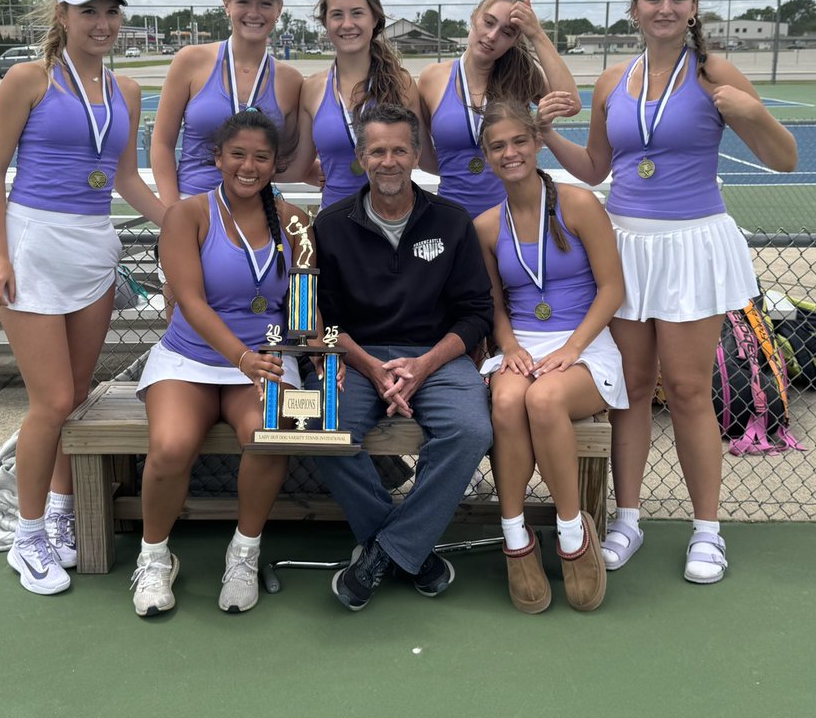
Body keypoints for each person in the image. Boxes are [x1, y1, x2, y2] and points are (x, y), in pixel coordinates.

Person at [551, 0, 798, 583]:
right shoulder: (612, 81)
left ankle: (707, 532)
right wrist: (545, 133)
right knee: (631, 392)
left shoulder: (715, 70)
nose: (665, 8)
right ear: (634, 7)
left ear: (693, 8)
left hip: (693, 246)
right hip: (627, 246)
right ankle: (627, 519)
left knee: (688, 391)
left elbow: (784, 158)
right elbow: (594, 170)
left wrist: (751, 114)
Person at [0, 0, 167, 595]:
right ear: (61, 15)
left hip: (93, 245)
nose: (103, 23)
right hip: (34, 243)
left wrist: (186, 226)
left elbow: (125, 179)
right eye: (88, 11)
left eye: (111, 11)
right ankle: (26, 535)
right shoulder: (27, 79)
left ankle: (60, 515)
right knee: (52, 401)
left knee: (79, 396)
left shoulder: (128, 91)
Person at [310, 103, 494, 610]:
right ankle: (408, 549)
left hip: (436, 358)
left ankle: (383, 552)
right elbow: (313, 322)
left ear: (416, 154)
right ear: (360, 156)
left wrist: (423, 366)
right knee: (322, 430)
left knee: (472, 431)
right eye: (376, 151)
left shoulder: (453, 222)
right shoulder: (329, 226)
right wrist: (367, 365)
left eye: (398, 150)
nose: (387, 161)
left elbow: (477, 314)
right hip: (355, 357)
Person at [132, 110, 313, 616]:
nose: (248, 166)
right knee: (170, 447)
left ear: (275, 164)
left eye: (261, 157)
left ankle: (244, 552)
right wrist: (240, 357)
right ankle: (154, 557)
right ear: (217, 158)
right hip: (192, 357)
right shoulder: (187, 214)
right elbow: (191, 302)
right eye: (238, 154)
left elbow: (301, 306)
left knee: (267, 436)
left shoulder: (295, 220)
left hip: (267, 359)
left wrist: (325, 351)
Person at [474, 99, 627, 614]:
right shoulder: (487, 227)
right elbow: (493, 305)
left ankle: (570, 533)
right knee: (506, 402)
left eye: (519, 141)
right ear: (487, 156)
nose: (510, 152)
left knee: (542, 401)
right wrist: (510, 346)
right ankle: (515, 537)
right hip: (522, 345)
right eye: (498, 146)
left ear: (536, 143)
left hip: (584, 344)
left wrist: (573, 347)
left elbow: (612, 289)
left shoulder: (579, 204)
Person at [149, 0, 302, 207]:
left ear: (279, 9)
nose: (254, 12)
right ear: (226, 5)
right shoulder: (190, 61)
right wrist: (174, 215)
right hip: (194, 207)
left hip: (258, 214)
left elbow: (286, 161)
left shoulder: (291, 81)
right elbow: (162, 144)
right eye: (243, 1)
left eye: (265, 3)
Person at [416, 0, 583, 218]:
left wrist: (536, 34)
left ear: (516, 40)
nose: (492, 36)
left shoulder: (521, 75)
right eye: (488, 22)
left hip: (512, 218)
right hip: (451, 220)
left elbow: (571, 103)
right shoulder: (431, 78)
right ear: (474, 17)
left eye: (507, 32)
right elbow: (425, 158)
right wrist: (459, 172)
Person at [282, 0, 426, 207]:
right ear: (326, 23)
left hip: (394, 222)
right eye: (337, 15)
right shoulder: (312, 88)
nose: (347, 24)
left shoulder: (401, 83)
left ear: (375, 19)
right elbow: (299, 166)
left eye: (357, 13)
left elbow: (420, 156)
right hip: (336, 227)